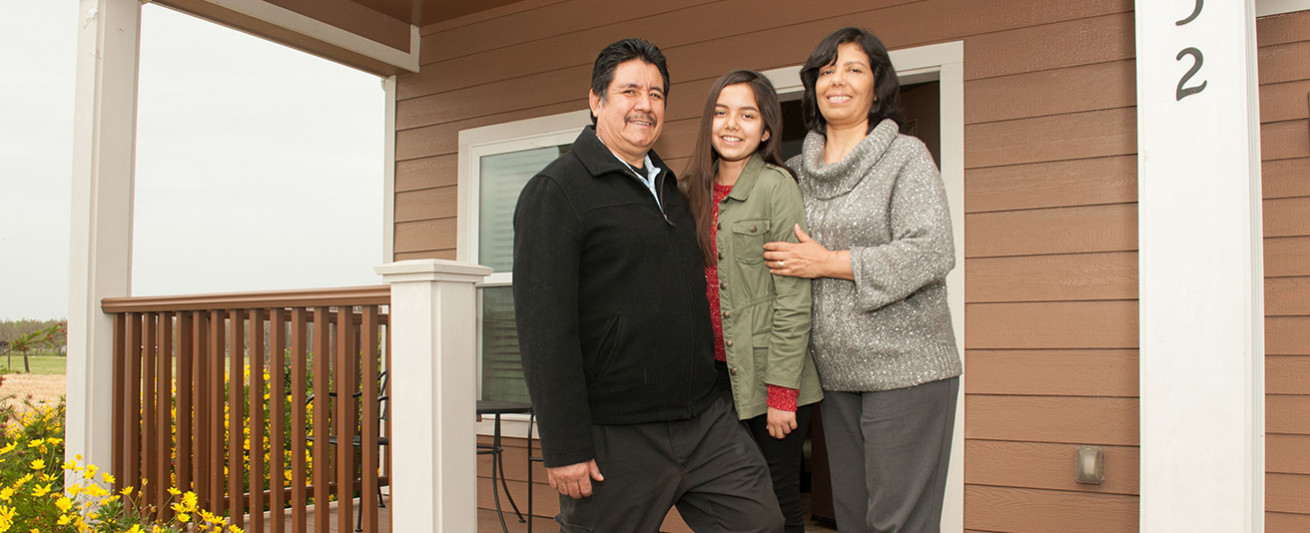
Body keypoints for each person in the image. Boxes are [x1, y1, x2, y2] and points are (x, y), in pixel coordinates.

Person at [513, 38, 784, 533]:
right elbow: (543, 332)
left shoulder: (673, 191)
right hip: (615, 437)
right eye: (630, 91)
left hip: (704, 422)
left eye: (657, 94)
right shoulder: (556, 192)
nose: (645, 104)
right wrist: (565, 446)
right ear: (596, 100)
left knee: (762, 524)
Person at [762, 27, 962, 533]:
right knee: (850, 520)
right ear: (812, 87)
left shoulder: (906, 157)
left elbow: (931, 249)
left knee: (898, 524)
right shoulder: (792, 175)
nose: (838, 81)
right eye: (826, 71)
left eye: (854, 69)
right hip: (835, 374)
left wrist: (828, 263)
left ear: (878, 86)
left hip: (907, 368)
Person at [681, 69, 823, 533]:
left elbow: (793, 295)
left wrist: (782, 392)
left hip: (771, 382)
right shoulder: (688, 193)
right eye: (721, 113)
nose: (731, 124)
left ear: (765, 129)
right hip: (714, 382)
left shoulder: (776, 185)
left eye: (747, 114)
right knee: (734, 506)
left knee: (778, 504)